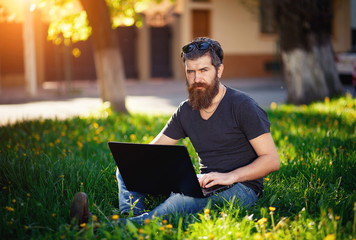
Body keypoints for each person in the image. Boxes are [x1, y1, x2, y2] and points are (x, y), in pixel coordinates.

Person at [70, 37, 280, 225]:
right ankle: (131, 219)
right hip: (204, 182)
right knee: (126, 169)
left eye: (204, 70)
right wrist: (136, 164)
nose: (196, 78)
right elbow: (152, 152)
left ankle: (95, 227)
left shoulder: (242, 106)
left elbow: (271, 160)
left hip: (242, 188)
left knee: (179, 201)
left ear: (219, 71)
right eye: (191, 72)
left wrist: (230, 176)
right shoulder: (186, 110)